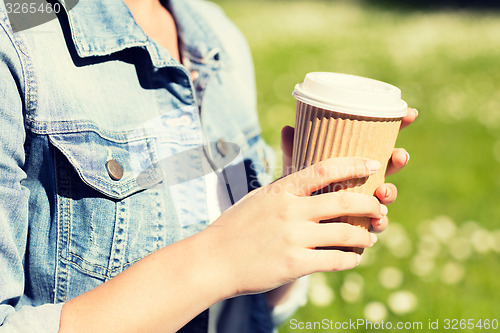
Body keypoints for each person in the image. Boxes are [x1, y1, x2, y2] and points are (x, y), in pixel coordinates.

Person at [0, 0, 418, 332]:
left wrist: (300, 224)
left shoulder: (216, 32)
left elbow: (243, 313)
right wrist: (219, 259)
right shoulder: (17, 33)